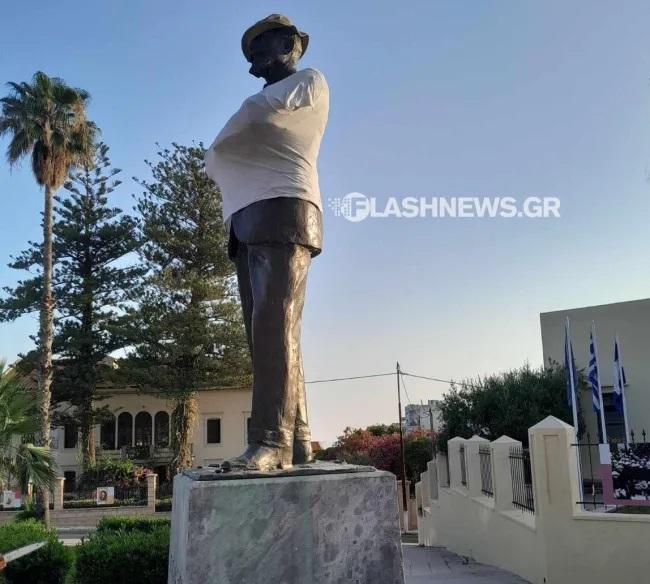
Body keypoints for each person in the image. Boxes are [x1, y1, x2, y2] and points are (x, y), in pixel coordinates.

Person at [205, 14, 329, 471]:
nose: (254, 57)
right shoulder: (263, 96)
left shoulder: (308, 82)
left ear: (290, 44)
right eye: (250, 52)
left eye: (261, 45)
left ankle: (271, 440)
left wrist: (234, 130)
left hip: (285, 209)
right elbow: (234, 137)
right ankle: (297, 440)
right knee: (269, 335)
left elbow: (258, 117)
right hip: (246, 221)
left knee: (275, 325)